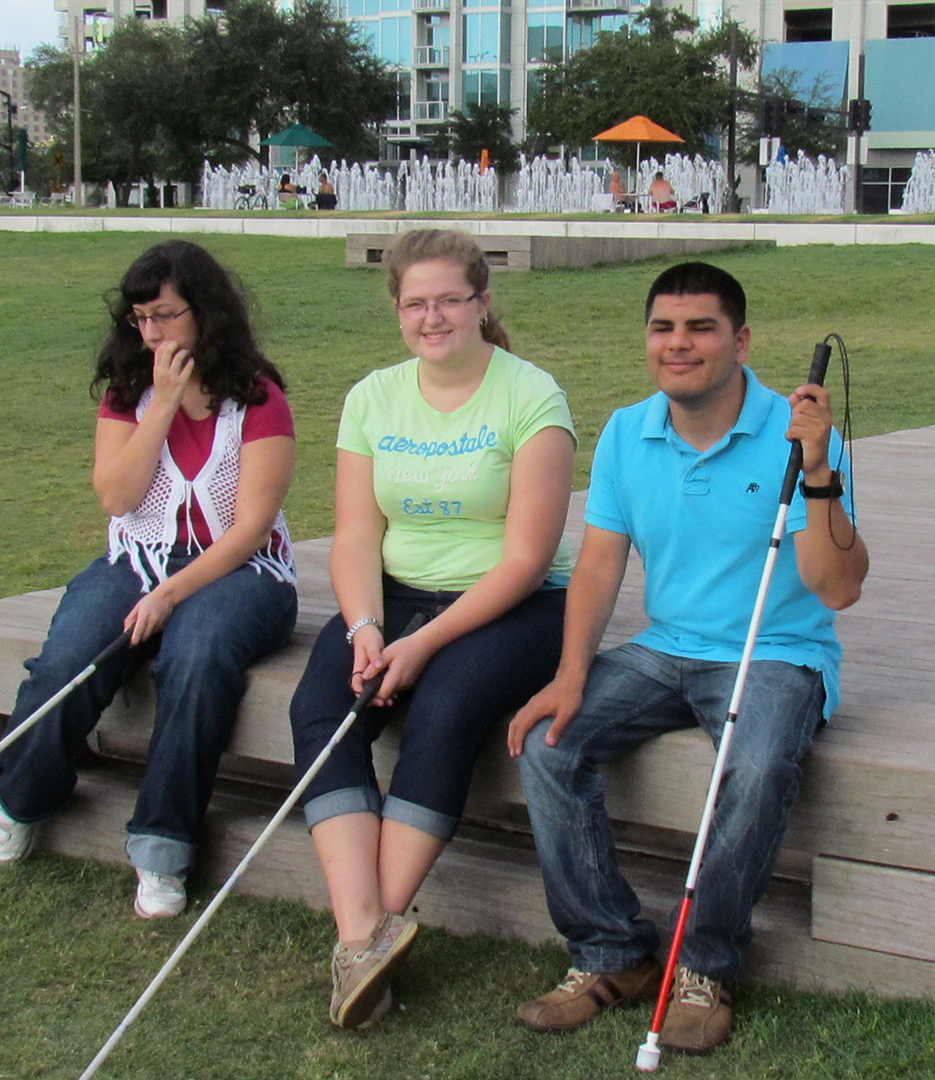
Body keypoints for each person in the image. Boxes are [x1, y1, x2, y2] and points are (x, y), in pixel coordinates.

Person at [508, 262, 868, 1053]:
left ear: (739, 341)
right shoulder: (625, 434)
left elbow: (838, 588)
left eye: (701, 328)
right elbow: (600, 566)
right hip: (665, 646)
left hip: (774, 652)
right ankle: (612, 952)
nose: (680, 344)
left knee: (760, 761)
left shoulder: (800, 433)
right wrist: (571, 676)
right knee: (547, 742)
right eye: (663, 328)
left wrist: (815, 475)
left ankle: (705, 964)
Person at [289, 228, 576, 1030]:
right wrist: (366, 627)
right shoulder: (372, 397)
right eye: (416, 303)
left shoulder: (532, 395)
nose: (433, 316)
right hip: (393, 599)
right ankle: (362, 938)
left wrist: (423, 643)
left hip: (507, 605)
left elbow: (525, 558)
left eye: (451, 298)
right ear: (397, 312)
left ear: (483, 302)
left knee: (446, 706)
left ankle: (374, 928)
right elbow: (353, 537)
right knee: (320, 707)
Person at [0, 240, 298, 921]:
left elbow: (248, 529)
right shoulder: (129, 394)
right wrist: (162, 405)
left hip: (242, 571)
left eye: (165, 316)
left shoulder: (259, 398)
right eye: (140, 319)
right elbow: (117, 497)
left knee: (198, 655)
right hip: (136, 558)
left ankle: (162, 847)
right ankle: (21, 800)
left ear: (204, 314)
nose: (151, 333)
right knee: (70, 657)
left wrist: (173, 595)